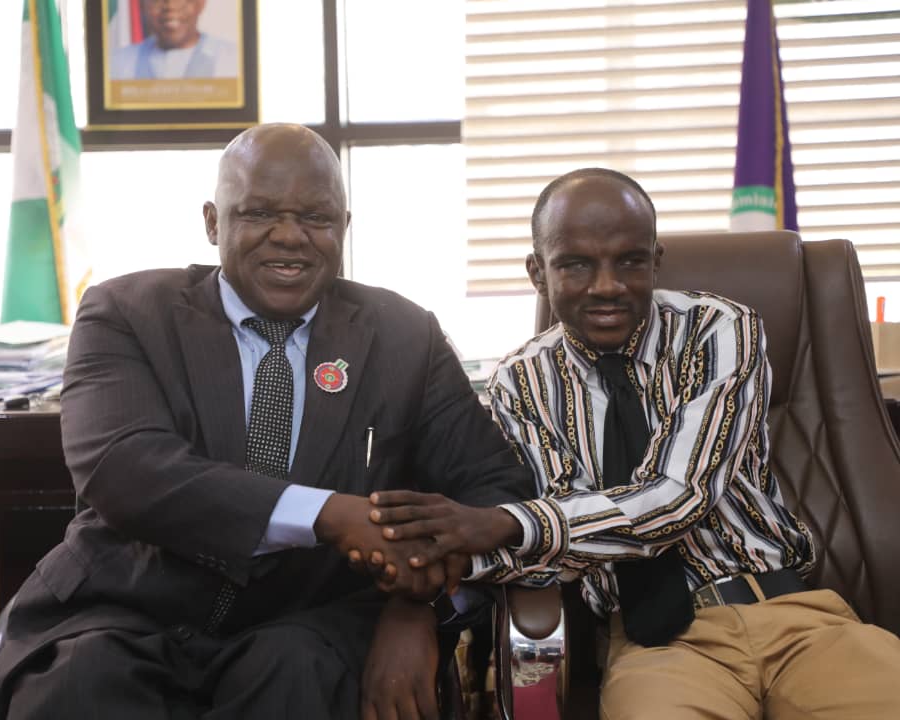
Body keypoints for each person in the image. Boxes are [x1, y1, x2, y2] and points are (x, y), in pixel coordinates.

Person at [0, 123, 532, 720]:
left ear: (344, 228)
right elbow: (125, 468)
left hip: (307, 623)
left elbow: (493, 494)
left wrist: (418, 611)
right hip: (126, 607)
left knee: (295, 679)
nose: (289, 237)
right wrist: (329, 514)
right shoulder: (127, 312)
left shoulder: (405, 336)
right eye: (258, 213)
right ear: (212, 222)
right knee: (81, 686)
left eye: (316, 218)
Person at [368, 168, 900, 719]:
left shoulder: (719, 330)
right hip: (658, 646)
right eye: (576, 263)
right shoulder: (520, 383)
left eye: (629, 260)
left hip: (794, 616)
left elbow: (678, 496)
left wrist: (506, 524)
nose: (607, 286)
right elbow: (556, 547)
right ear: (537, 273)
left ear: (655, 260)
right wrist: (431, 564)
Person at [111, 0, 238, 80]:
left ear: (200, 3)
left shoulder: (234, 60)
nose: (170, 6)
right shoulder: (118, 63)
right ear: (143, 6)